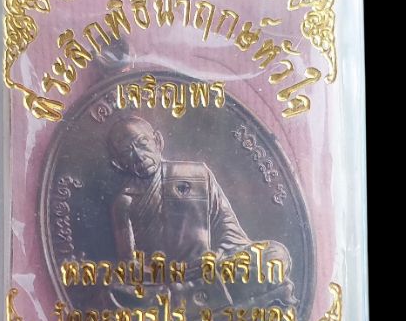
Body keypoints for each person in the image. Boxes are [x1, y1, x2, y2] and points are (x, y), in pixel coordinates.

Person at [107, 115, 295, 306]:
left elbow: (231, 234)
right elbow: (129, 266)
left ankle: (196, 297)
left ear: (157, 141)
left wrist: (217, 257)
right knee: (119, 290)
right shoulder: (124, 202)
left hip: (213, 269)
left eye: (142, 143)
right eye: (127, 152)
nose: (139, 156)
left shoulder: (198, 175)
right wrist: (171, 274)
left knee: (275, 254)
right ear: (118, 163)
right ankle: (202, 296)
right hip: (166, 282)